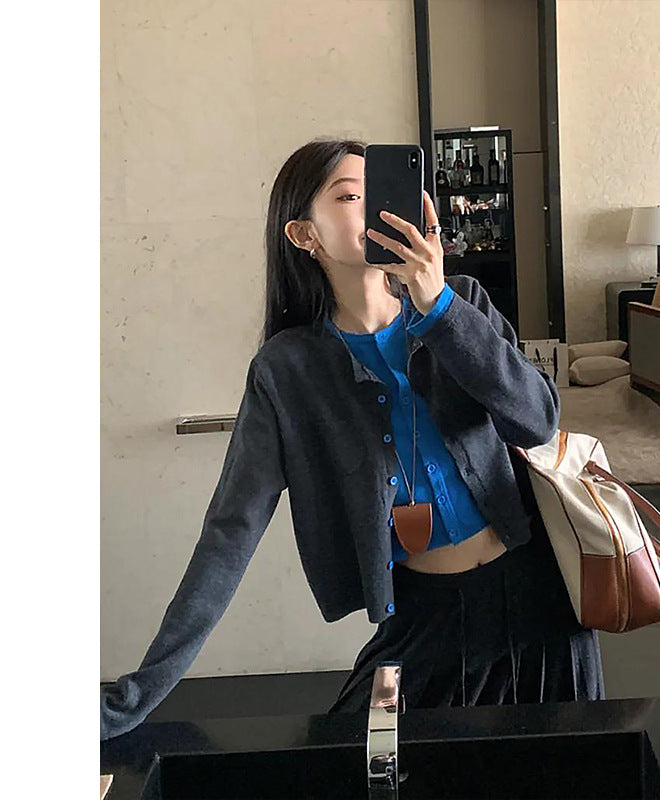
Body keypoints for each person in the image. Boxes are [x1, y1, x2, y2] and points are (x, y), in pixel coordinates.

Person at [100, 137, 604, 740]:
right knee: (352, 766)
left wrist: (438, 306)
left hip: (541, 604)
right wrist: (135, 696)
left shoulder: (462, 304)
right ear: (303, 235)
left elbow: (537, 420)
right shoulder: (287, 371)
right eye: (348, 197)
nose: (374, 207)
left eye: (378, 191)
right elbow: (230, 532)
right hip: (423, 619)